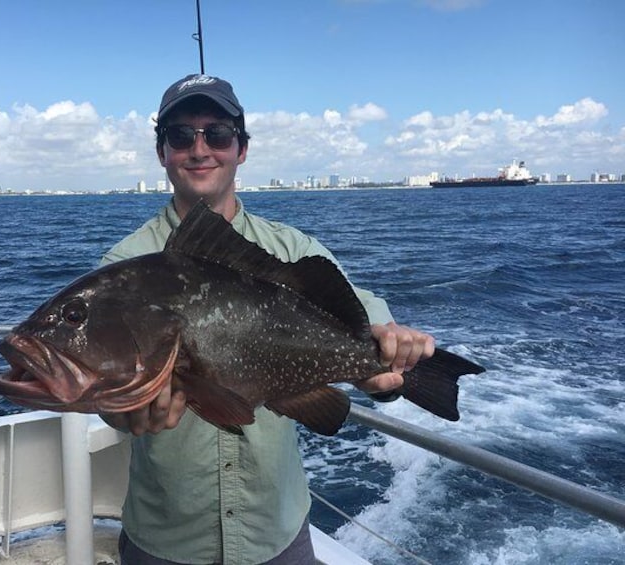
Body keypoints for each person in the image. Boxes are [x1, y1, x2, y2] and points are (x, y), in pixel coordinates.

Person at [100, 74, 436, 565]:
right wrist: (121, 411)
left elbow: (372, 339)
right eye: (180, 135)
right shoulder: (124, 266)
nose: (200, 150)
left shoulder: (294, 251)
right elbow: (107, 387)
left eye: (217, 134)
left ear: (242, 149)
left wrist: (388, 368)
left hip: (275, 532)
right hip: (167, 537)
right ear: (161, 152)